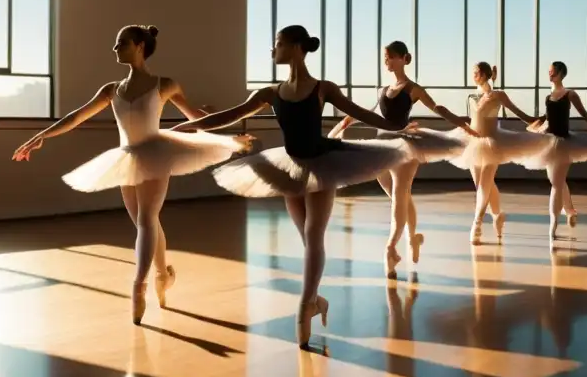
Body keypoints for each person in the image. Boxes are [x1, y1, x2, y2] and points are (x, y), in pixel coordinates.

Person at [171, 25, 411, 348]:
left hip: (325, 163)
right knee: (310, 243)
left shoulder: (324, 88)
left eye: (278, 44)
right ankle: (314, 301)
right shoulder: (269, 93)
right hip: (291, 168)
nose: (273, 50)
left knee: (314, 237)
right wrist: (183, 127)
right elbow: (226, 117)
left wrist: (398, 127)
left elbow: (360, 113)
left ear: (297, 47)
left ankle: (303, 308)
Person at [11, 25, 250, 324]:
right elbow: (76, 116)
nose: (114, 48)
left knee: (147, 219)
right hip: (127, 157)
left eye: (120, 43)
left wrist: (230, 136)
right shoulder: (111, 89)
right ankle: (164, 273)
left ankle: (139, 286)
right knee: (145, 222)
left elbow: (197, 120)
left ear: (139, 45)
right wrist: (41, 136)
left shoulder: (165, 84)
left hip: (157, 153)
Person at [329, 41, 479, 278]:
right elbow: (365, 113)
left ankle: (390, 248)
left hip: (406, 145)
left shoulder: (413, 88)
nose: (386, 61)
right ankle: (413, 237)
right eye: (384, 57)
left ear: (402, 58)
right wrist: (341, 125)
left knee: (400, 195)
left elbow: (437, 107)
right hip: (381, 145)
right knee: (399, 197)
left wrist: (464, 125)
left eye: (389, 57)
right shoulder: (383, 89)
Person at [447, 62, 551, 244]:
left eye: (477, 72)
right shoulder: (472, 96)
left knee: (484, 185)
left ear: (486, 74)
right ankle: (497, 215)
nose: (474, 75)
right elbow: (472, 120)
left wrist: (537, 122)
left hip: (493, 143)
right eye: (473, 72)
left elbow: (519, 113)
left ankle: (477, 223)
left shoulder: (498, 95)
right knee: (482, 185)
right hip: (473, 142)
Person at [521, 61, 587, 241]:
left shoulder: (570, 94)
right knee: (557, 180)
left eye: (552, 71)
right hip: (549, 141)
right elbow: (547, 118)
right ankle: (570, 210)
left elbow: (583, 113)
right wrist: (536, 127)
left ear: (560, 73)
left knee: (556, 183)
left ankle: (553, 224)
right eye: (549, 71)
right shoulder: (548, 96)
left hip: (564, 143)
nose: (549, 74)